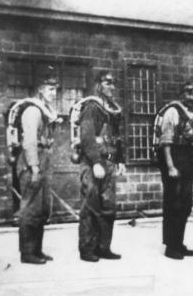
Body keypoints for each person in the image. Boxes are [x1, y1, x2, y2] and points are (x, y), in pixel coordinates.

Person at [78, 71, 125, 262]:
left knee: (108, 206)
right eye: (107, 83)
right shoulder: (92, 107)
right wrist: (96, 162)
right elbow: (87, 137)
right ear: (98, 85)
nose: (111, 87)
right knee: (91, 207)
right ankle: (87, 249)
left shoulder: (112, 110)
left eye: (113, 84)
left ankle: (104, 247)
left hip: (110, 162)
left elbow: (118, 138)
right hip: (93, 163)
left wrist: (120, 160)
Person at [157, 82, 193, 260]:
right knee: (173, 204)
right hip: (174, 160)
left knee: (185, 205)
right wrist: (170, 166)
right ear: (181, 94)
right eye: (188, 93)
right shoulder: (173, 111)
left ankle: (179, 243)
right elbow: (166, 141)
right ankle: (171, 246)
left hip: (188, 161)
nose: (192, 97)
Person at [16, 75, 60, 265]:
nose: (54, 93)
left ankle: (37, 250)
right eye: (50, 89)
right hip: (31, 163)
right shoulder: (33, 111)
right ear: (40, 89)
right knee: (30, 208)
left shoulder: (47, 111)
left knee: (42, 209)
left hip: (44, 162)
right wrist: (34, 167)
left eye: (55, 89)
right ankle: (27, 253)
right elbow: (30, 141)